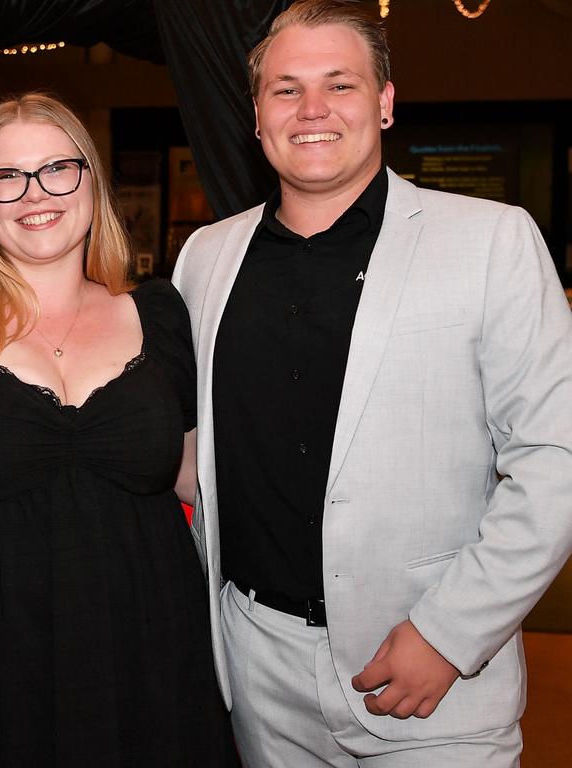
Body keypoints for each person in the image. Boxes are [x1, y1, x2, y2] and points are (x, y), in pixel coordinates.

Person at [172, 1, 572, 766]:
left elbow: (556, 460)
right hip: (258, 671)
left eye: (340, 85)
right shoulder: (205, 260)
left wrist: (450, 634)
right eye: (286, 89)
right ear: (256, 115)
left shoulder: (492, 242)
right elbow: (197, 453)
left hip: (431, 677)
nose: (312, 109)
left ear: (385, 103)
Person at [0, 93, 233, 767]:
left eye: (57, 169)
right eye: (5, 176)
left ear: (92, 182)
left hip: (150, 649)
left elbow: (196, 479)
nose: (33, 194)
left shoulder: (160, 315)